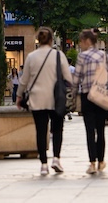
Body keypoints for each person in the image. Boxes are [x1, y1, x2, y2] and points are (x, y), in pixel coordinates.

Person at [16, 27, 72, 176]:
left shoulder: (31, 57)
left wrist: (19, 96)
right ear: (51, 39)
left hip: (37, 99)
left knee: (41, 132)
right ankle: (56, 158)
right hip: (56, 99)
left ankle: (43, 164)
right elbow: (69, 78)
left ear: (38, 40)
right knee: (57, 129)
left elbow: (24, 80)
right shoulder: (59, 55)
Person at [72, 29, 108, 174]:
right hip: (101, 95)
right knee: (101, 130)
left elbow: (76, 78)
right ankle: (101, 161)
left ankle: (92, 163)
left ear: (87, 41)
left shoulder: (82, 56)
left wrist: (73, 93)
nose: (80, 44)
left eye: (81, 41)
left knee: (89, 131)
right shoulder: (103, 55)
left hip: (88, 96)